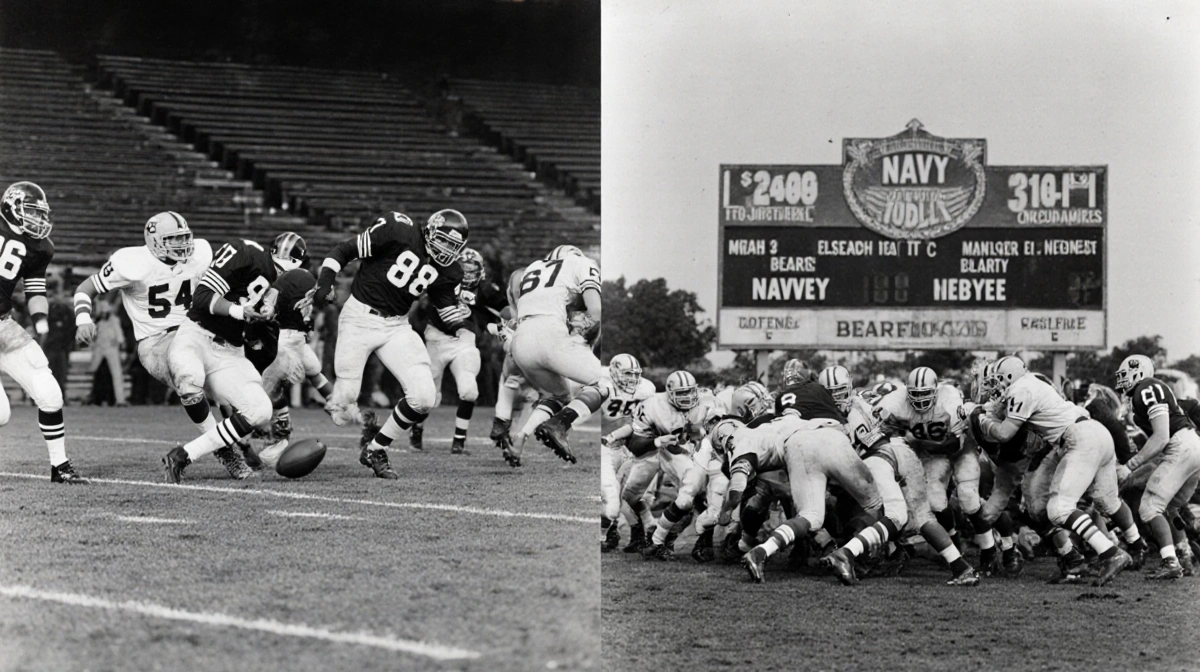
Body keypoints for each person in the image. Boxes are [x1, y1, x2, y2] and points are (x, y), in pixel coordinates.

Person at [315, 209, 470, 479]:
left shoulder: (450, 270)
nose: (446, 249)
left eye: (452, 246)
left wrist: (464, 321)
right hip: (359, 317)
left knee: (424, 397)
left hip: (397, 326)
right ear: (430, 230)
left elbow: (446, 312)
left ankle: (376, 449)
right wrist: (324, 284)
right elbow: (343, 251)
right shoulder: (399, 229)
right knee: (343, 407)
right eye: (443, 240)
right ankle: (353, 414)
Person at [161, 236, 288, 483]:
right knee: (189, 377)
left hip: (230, 351)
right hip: (197, 335)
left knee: (260, 410)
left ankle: (182, 455)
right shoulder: (246, 252)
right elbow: (201, 297)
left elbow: (263, 349)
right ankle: (229, 455)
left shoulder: (277, 290)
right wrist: (240, 310)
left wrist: (266, 317)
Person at [0, 181, 87, 482]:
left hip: (3, 325)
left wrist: (41, 323)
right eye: (32, 212)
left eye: (40, 214)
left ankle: (60, 467)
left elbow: (35, 289)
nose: (38, 219)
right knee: (1, 414)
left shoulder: (41, 247)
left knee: (50, 392)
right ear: (11, 207)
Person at [508, 245, 603, 463]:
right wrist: (585, 333)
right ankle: (560, 425)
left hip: (521, 340)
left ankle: (520, 438)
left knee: (558, 395)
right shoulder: (580, 262)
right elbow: (596, 310)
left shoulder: (534, 267)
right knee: (605, 383)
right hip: (550, 333)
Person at [409, 247, 507, 455]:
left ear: (480, 270)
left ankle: (459, 442)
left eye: (472, 269)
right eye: (464, 269)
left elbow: (505, 308)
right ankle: (416, 430)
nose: (468, 274)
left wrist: (509, 322)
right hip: (436, 339)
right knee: (428, 397)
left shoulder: (486, 288)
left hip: (464, 341)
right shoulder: (441, 281)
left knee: (469, 391)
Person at [88, 300, 127, 406]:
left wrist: (120, 344)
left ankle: (120, 399)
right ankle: (94, 397)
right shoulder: (98, 322)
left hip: (111, 348)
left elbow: (119, 336)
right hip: (100, 348)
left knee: (116, 374)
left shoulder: (114, 320)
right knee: (95, 371)